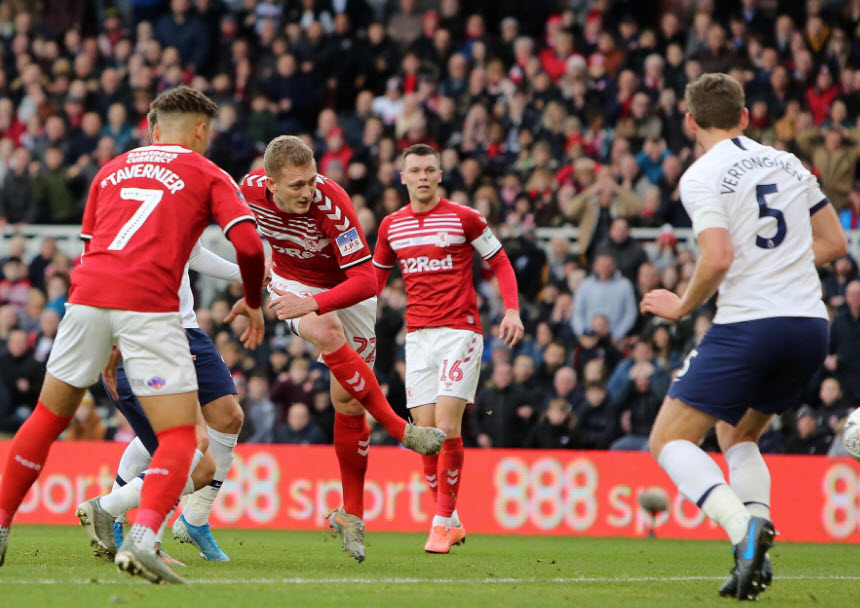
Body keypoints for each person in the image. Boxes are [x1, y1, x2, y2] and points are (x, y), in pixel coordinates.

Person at [0, 85, 267, 585]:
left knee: (46, 417)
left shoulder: (110, 170)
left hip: (85, 299)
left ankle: (0, 526)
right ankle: (142, 540)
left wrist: (107, 338)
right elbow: (250, 249)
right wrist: (253, 300)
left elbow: (89, 250)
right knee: (179, 439)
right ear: (202, 131)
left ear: (152, 126)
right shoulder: (207, 172)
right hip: (150, 307)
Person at [641, 73, 846, 601]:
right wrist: (779, 263)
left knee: (668, 439)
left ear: (690, 122)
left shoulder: (701, 174)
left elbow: (719, 257)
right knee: (738, 437)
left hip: (751, 324)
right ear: (746, 117)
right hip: (809, 327)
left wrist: (683, 306)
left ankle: (743, 532)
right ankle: (755, 558)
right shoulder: (787, 161)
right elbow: (835, 243)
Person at [240, 135, 444, 563]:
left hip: (346, 291)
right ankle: (398, 428)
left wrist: (316, 299)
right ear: (270, 183)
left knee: (348, 403)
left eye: (311, 180)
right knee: (326, 329)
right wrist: (257, 292)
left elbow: (367, 281)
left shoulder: (332, 203)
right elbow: (238, 239)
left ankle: (352, 515)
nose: (308, 191)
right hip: (294, 286)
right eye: (296, 185)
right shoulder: (248, 192)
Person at [373, 143, 523, 554]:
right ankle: (452, 519)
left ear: (440, 175)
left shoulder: (465, 218)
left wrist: (511, 310)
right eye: (414, 170)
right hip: (418, 336)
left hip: (460, 331)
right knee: (423, 437)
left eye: (429, 170)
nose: (422, 176)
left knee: (446, 428)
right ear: (402, 177)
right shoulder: (391, 226)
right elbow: (374, 283)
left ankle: (439, 522)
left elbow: (501, 261)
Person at [76, 238, 257, 565]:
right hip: (150, 338)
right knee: (193, 457)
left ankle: (192, 520)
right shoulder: (142, 213)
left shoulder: (182, 204)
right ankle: (124, 521)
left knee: (228, 417)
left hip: (184, 332)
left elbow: (193, 252)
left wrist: (249, 275)